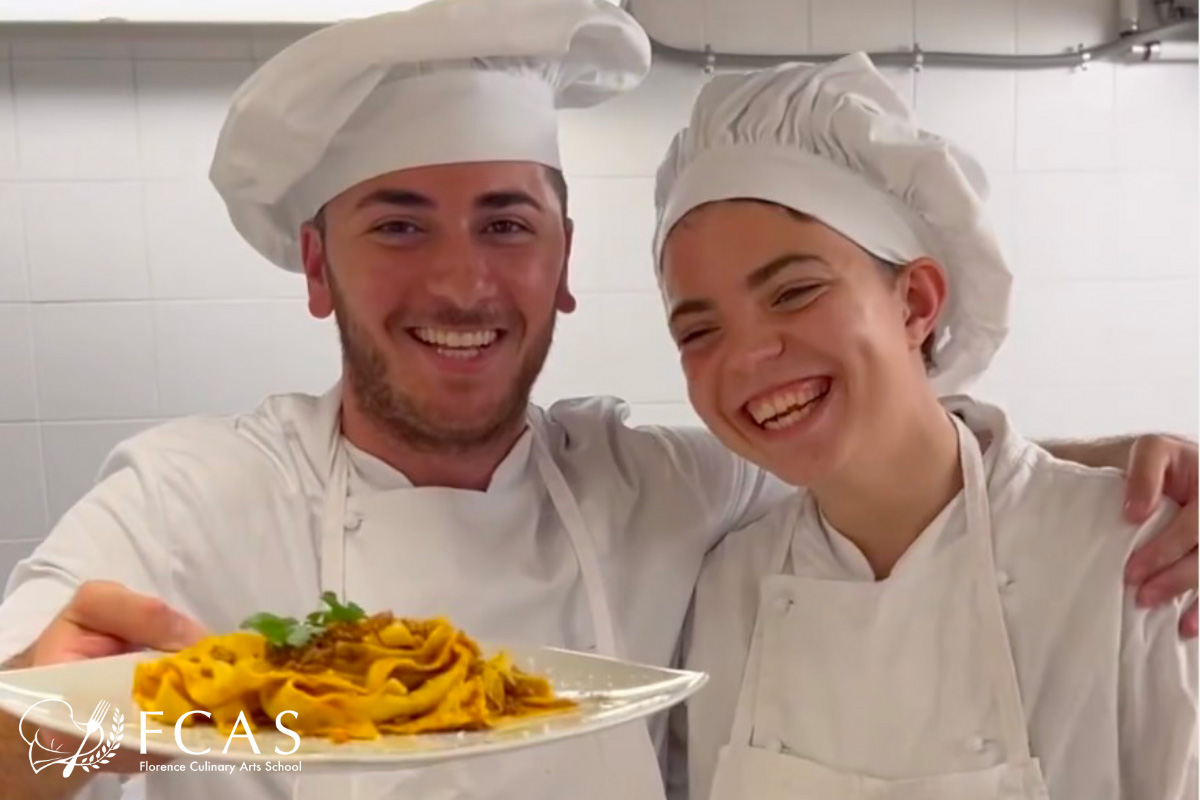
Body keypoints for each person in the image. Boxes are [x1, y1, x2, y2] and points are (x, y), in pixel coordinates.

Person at [0, 0, 1196, 797]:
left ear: (564, 266)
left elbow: (890, 465)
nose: (465, 278)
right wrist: (72, 730)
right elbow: (19, 740)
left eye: (508, 223)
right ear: (319, 268)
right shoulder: (192, 493)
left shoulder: (655, 487)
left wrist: (1128, 471)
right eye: (399, 224)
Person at [653, 54, 1199, 800]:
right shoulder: (727, 586)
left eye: (795, 291)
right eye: (698, 330)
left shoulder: (1137, 559)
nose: (748, 356)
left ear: (916, 302)